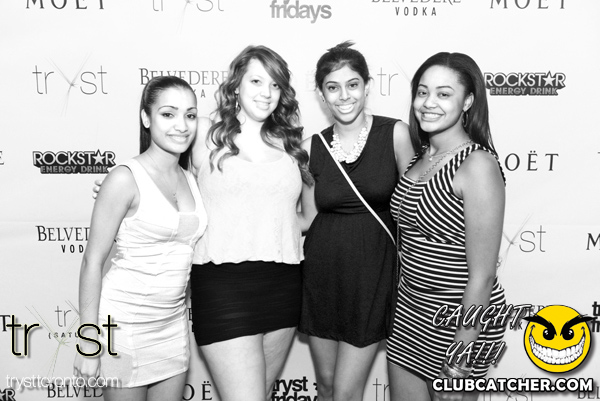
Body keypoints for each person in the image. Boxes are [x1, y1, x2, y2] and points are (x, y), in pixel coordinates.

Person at [188, 45, 311, 401]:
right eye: (256, 81)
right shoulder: (204, 134)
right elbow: (162, 177)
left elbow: (306, 217)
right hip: (223, 284)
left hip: (283, 284)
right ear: (237, 84)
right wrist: (126, 184)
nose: (266, 93)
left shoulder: (292, 144)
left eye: (275, 85)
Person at [74, 76, 207, 401]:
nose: (182, 125)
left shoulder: (192, 178)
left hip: (172, 329)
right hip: (124, 327)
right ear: (146, 118)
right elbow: (92, 262)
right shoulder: (124, 178)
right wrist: (89, 344)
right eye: (168, 114)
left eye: (190, 115)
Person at [297, 41, 414, 401]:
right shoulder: (310, 147)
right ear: (321, 95)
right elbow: (307, 219)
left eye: (352, 85)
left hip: (373, 276)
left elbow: (414, 210)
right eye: (333, 87)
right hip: (322, 275)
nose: (344, 95)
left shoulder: (395, 134)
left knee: (346, 392)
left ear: (367, 86)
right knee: (327, 385)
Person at [387, 52, 506, 401]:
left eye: (443, 94)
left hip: (458, 326)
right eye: (422, 92)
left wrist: (458, 365)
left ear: (467, 101)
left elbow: (482, 276)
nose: (428, 103)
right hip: (410, 314)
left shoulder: (477, 165)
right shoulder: (419, 157)